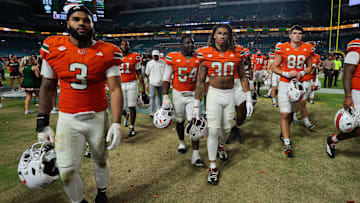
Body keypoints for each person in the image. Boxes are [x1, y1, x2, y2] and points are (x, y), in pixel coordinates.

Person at [37, 6, 123, 203]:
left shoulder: (107, 51)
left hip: (98, 117)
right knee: (66, 171)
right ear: (68, 23)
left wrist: (117, 122)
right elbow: (47, 87)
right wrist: (42, 122)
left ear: (93, 24)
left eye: (86, 20)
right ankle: (79, 201)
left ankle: (102, 193)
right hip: (68, 119)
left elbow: (116, 89)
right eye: (76, 19)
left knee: (101, 162)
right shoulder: (52, 47)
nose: (81, 23)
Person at [194, 24, 253, 185]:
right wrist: (196, 104)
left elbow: (242, 76)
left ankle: (221, 145)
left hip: (230, 94)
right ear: (213, 36)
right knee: (213, 130)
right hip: (213, 94)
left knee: (226, 129)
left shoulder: (236, 53)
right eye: (219, 33)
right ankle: (213, 167)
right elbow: (200, 80)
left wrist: (248, 97)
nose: (222, 36)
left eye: (225, 34)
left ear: (229, 36)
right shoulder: (205, 53)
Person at [271, 25, 314, 157]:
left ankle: (284, 133)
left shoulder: (307, 48)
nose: (297, 35)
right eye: (294, 33)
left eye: (299, 33)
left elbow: (310, 67)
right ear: (290, 35)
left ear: (302, 36)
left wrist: (301, 72)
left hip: (298, 85)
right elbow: (274, 67)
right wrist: (286, 73)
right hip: (285, 83)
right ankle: (287, 143)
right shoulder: (282, 48)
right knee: (284, 114)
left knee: (291, 113)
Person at [162, 35, 205, 166]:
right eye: (188, 43)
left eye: (192, 43)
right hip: (178, 94)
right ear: (181, 45)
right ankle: (181, 141)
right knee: (180, 121)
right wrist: (165, 96)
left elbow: (202, 80)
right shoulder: (173, 57)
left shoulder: (198, 58)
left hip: (192, 94)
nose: (191, 45)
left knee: (194, 122)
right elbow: (166, 78)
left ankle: (196, 155)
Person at [326, 39, 360, 158]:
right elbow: (347, 72)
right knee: (354, 127)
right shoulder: (357, 47)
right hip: (358, 92)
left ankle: (334, 139)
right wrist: (348, 96)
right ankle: (334, 139)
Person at [119, 40, 145, 136]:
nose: (124, 46)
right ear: (120, 46)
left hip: (131, 83)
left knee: (132, 106)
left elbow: (139, 73)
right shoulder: (117, 56)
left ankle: (132, 127)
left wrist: (143, 87)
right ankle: (126, 116)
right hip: (120, 84)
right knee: (121, 107)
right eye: (122, 44)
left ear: (129, 46)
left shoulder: (135, 56)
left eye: (126, 45)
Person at [292, 41, 318, 130]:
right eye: (311, 46)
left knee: (302, 102)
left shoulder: (316, 57)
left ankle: (293, 115)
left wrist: (314, 82)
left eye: (313, 47)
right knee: (302, 103)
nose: (313, 48)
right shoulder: (301, 56)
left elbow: (314, 71)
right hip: (301, 81)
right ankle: (307, 122)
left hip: (309, 81)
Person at [146, 49, 166, 117]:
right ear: (152, 56)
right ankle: (153, 111)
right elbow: (147, 73)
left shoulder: (163, 62)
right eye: (154, 56)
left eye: (156, 56)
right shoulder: (149, 63)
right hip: (152, 82)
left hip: (161, 83)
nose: (155, 57)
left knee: (160, 97)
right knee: (152, 97)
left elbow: (165, 72)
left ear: (158, 55)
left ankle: (160, 111)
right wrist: (147, 83)